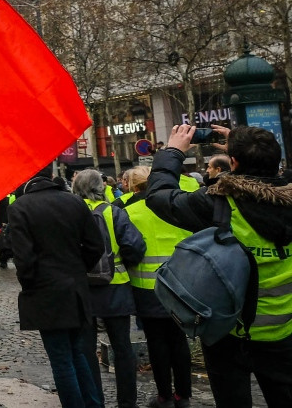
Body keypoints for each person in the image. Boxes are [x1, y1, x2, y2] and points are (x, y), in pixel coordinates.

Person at [146, 124, 292, 407]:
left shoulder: (219, 203)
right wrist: (249, 146)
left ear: (233, 162)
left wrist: (173, 152)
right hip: (284, 330)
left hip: (228, 329)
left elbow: (160, 197)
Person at [8, 169, 104, 408]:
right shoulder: (74, 201)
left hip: (45, 293)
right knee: (77, 353)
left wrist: (30, 283)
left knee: (61, 360)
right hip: (76, 290)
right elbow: (95, 245)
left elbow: (24, 259)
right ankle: (93, 404)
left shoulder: (20, 207)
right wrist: (77, 270)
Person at [71, 169, 144, 408]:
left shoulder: (70, 213)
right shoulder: (113, 212)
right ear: (101, 188)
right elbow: (134, 246)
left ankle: (95, 401)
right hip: (116, 287)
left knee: (86, 350)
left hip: (82, 290)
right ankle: (127, 401)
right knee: (122, 348)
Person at [122, 166, 193, 408]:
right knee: (179, 340)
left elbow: (128, 249)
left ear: (134, 186)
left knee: (157, 343)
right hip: (181, 285)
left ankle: (164, 396)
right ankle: (183, 395)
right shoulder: (179, 206)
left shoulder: (130, 211)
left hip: (147, 288)